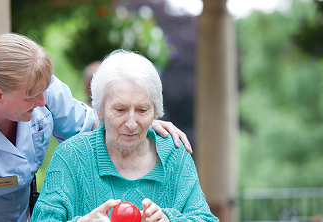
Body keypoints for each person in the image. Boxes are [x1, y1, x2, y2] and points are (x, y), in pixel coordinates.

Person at [0, 34, 191, 222]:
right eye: (32, 97)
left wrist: (141, 119)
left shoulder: (39, 86)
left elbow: (96, 124)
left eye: (45, 90)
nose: (43, 102)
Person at [31, 50, 218, 222]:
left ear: (155, 112)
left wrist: (169, 220)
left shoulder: (174, 155)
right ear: (100, 110)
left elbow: (205, 218)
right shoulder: (70, 156)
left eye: (142, 110)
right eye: (120, 110)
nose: (131, 123)